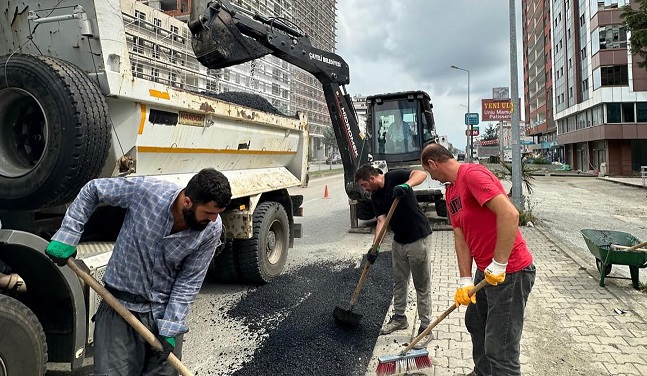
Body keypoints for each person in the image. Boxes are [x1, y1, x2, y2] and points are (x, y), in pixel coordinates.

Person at [45, 168, 232, 376]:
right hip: (119, 308)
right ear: (187, 202)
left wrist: (171, 326)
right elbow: (93, 190)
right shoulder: (147, 192)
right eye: (209, 213)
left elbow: (189, 281)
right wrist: (68, 234)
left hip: (162, 313)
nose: (214, 220)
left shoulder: (211, 230)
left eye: (217, 214)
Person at [420, 143, 535, 376]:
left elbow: (510, 214)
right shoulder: (451, 191)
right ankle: (482, 373)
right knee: (475, 322)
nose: (433, 178)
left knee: (500, 348)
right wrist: (465, 280)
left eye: (430, 173)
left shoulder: (472, 175)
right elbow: (460, 236)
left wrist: (500, 263)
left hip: (510, 271)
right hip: (487, 272)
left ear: (433, 164)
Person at [354, 164, 433, 338]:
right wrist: (375, 247)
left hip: (418, 237)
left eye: (363, 184)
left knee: (421, 285)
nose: (363, 188)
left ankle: (426, 327)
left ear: (372, 178)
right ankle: (399, 318)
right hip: (399, 241)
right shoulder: (375, 197)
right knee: (399, 282)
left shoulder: (395, 177)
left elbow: (421, 174)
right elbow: (382, 222)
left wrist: (407, 185)